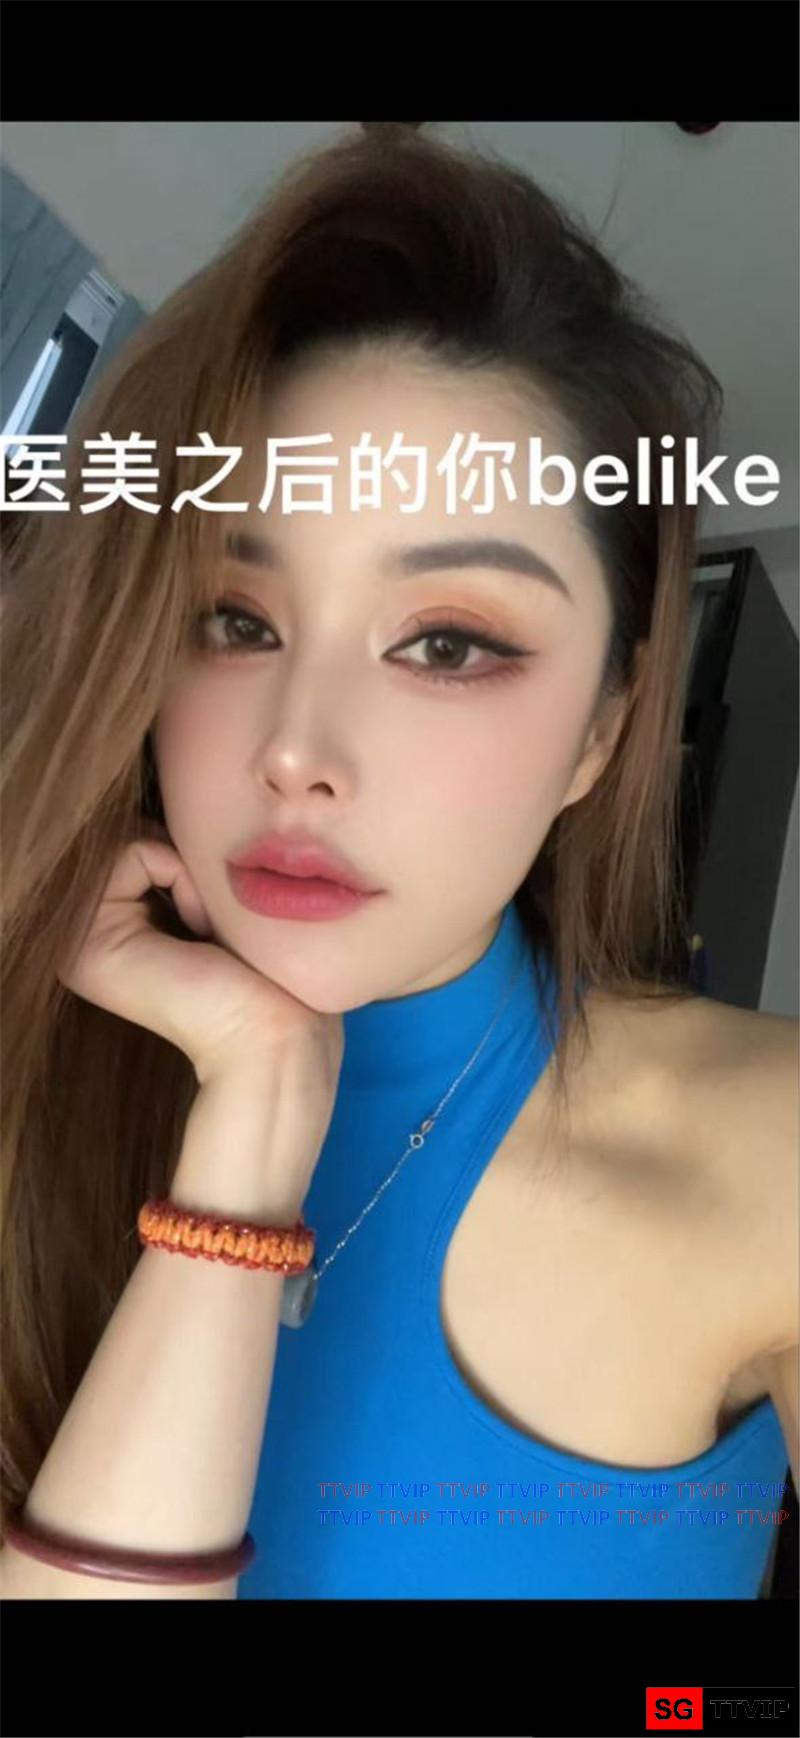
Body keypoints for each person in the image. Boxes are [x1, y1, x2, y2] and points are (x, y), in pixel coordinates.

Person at [0, 124, 796, 1601]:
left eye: (446, 644)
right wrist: (251, 1114)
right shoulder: (31, 1080)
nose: (298, 751)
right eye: (235, 619)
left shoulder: (769, 1153)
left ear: (601, 731)